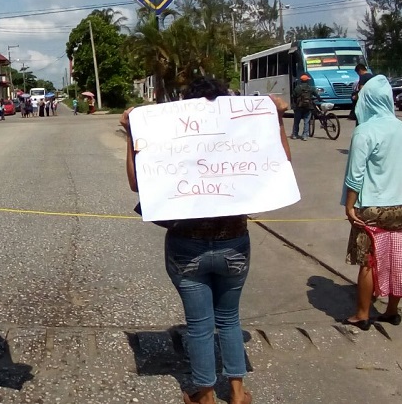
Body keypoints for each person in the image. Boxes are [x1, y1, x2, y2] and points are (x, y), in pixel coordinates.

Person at [122, 77, 290, 404]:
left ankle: (206, 394)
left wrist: (132, 132)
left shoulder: (175, 132)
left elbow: (135, 183)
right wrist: (278, 119)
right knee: (229, 319)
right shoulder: (238, 130)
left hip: (187, 247)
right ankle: (238, 393)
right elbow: (281, 165)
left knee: (199, 326)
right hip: (234, 243)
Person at [341, 75, 402, 330]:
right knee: (397, 256)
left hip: (372, 207)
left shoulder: (364, 131)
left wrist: (350, 206)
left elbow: (356, 175)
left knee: (368, 260)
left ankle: (362, 314)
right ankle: (392, 311)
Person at [290, 74, 316, 141]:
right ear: (307, 81)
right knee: (306, 121)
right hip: (308, 107)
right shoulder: (311, 88)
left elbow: (293, 96)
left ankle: (295, 135)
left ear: (301, 81)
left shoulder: (297, 88)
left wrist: (294, 104)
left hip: (299, 107)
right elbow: (316, 95)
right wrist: (320, 100)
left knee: (296, 121)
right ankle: (305, 136)